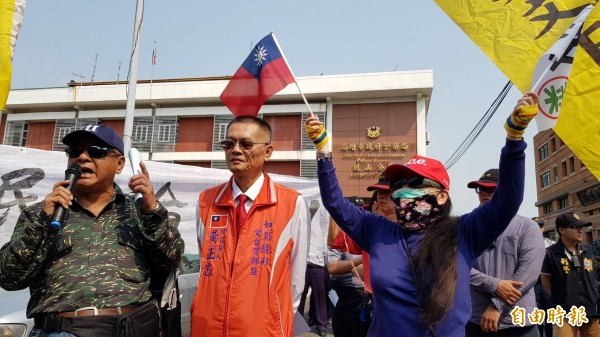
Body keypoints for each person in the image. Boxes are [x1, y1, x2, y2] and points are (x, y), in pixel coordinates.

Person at [304, 91, 538, 336]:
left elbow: (508, 200)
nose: (405, 192)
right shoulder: (377, 231)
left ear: (442, 195)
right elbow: (335, 203)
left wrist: (514, 138)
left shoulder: (463, 233)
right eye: (400, 185)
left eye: (415, 184)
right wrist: (323, 152)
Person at [0, 124, 184, 337]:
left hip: (130, 329)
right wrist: (43, 220)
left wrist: (152, 210)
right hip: (60, 331)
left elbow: (170, 261)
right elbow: (9, 278)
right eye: (75, 151)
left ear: (120, 163)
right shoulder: (40, 214)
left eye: (96, 151)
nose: (83, 158)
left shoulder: (140, 211)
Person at [190, 116, 310, 337]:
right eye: (229, 144)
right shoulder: (206, 202)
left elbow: (296, 279)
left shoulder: (292, 204)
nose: (235, 150)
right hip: (208, 327)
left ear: (268, 151)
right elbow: (205, 266)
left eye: (246, 144)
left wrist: (274, 317)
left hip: (263, 329)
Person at [465, 168, 545, 337]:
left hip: (519, 323)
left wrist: (496, 305)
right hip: (477, 320)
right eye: (482, 190)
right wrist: (494, 284)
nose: (486, 195)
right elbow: (456, 265)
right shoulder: (467, 227)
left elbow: (529, 272)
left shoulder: (527, 227)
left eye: (493, 190)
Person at [541, 212, 600, 337]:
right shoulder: (550, 254)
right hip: (564, 313)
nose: (580, 231)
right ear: (561, 230)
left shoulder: (588, 250)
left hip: (590, 311)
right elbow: (546, 282)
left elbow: (593, 277)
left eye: (581, 227)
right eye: (575, 227)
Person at [298, 200, 330, 337]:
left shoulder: (325, 213)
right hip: (302, 261)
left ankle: (321, 324)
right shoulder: (301, 212)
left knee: (320, 296)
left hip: (318, 259)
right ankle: (296, 322)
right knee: (299, 295)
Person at [328, 245, 365, 337]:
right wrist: (363, 259)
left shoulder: (376, 237)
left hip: (371, 295)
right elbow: (332, 267)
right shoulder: (341, 237)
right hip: (347, 295)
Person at [533, 217, 554, 337]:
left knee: (551, 316)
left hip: (548, 284)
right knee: (537, 318)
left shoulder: (551, 244)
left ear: (543, 228)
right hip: (533, 284)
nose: (537, 229)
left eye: (539, 226)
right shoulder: (525, 242)